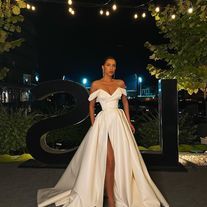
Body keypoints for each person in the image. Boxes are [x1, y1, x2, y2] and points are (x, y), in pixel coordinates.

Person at [37, 56, 170, 207]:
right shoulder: (95, 84)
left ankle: (113, 194)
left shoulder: (120, 83)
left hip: (118, 123)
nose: (111, 68)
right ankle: (111, 198)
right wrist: (94, 125)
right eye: (108, 65)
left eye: (114, 65)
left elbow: (125, 102)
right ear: (103, 67)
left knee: (120, 160)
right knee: (109, 160)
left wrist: (128, 121)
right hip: (102, 124)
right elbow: (91, 106)